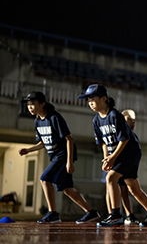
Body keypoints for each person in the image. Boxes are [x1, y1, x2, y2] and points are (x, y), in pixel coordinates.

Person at [78, 84, 147, 227]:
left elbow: (125, 139)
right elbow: (103, 142)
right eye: (88, 100)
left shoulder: (115, 115)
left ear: (104, 99)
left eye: (92, 99)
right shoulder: (96, 121)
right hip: (118, 154)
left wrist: (113, 157)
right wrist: (107, 158)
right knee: (133, 188)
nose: (90, 103)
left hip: (129, 152)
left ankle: (115, 215)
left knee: (111, 178)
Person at [18, 91, 100, 224]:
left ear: (42, 104)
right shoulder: (38, 121)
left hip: (64, 155)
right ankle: (91, 212)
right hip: (56, 156)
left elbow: (69, 139)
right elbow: (44, 142)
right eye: (28, 105)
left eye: (32, 104)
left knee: (45, 179)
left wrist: (69, 161)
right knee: (67, 189)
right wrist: (29, 150)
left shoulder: (54, 117)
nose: (30, 107)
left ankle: (53, 214)